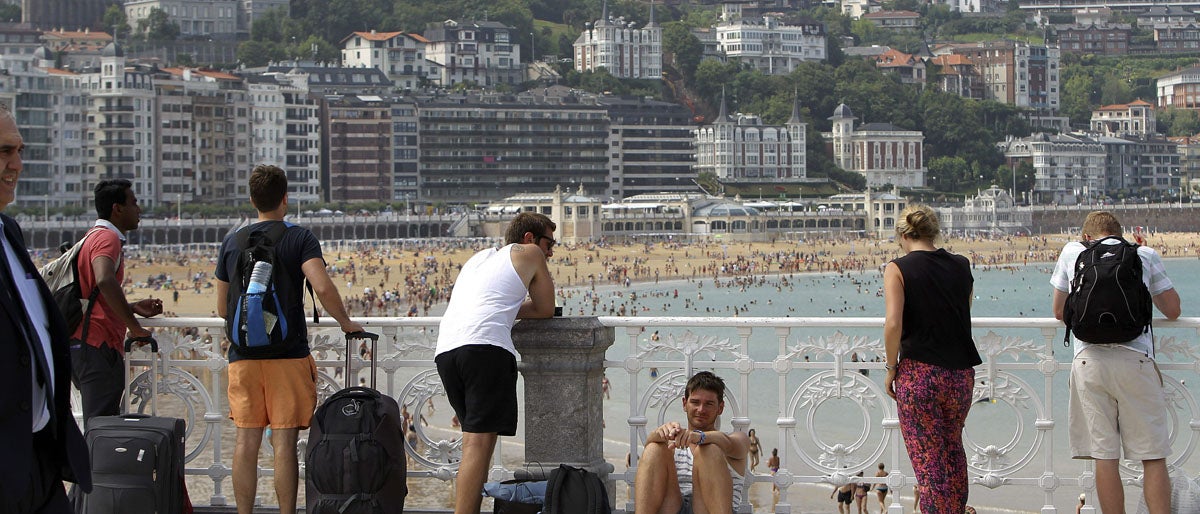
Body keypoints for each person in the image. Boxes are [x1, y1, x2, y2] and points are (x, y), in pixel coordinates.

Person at [215, 164, 364, 514]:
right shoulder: (299, 237)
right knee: (284, 442)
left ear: (252, 200)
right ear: (285, 199)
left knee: (246, 441)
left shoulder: (232, 241)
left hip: (243, 355)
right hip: (288, 354)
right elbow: (322, 286)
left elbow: (222, 307)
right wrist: (345, 323)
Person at [1050, 211, 1180, 514]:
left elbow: (1058, 311)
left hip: (1089, 363)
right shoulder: (1143, 254)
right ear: (1121, 235)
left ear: (1086, 236)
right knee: (1153, 456)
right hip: (1136, 360)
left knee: (1105, 456)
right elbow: (1172, 309)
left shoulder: (1073, 251)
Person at [0, 103, 91, 512]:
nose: (16, 164)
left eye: (19, 150)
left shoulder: (9, 231)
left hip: (38, 458)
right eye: (3, 151)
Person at [434, 212, 556, 514]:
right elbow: (545, 308)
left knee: (476, 446)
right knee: (477, 448)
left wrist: (505, 308)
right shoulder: (529, 253)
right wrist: (510, 310)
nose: (551, 251)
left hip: (448, 350)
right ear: (529, 238)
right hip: (484, 349)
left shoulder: (480, 258)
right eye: (549, 243)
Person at [883, 205, 981, 513]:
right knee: (953, 450)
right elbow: (964, 309)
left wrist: (890, 367)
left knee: (928, 461)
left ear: (902, 235)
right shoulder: (961, 265)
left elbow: (893, 324)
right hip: (960, 374)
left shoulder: (897, 268)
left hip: (920, 373)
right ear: (934, 231)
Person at [69, 179, 164, 425]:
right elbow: (104, 280)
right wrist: (135, 328)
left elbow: (95, 292)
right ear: (117, 209)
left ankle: (93, 464)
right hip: (96, 345)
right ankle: (94, 465)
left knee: (99, 422)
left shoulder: (93, 236)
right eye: (133, 202)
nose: (139, 209)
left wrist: (131, 307)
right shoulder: (107, 238)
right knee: (100, 426)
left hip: (87, 343)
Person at [634, 371, 750, 514]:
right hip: (673, 506)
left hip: (710, 509)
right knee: (653, 449)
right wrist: (658, 434)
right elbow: (650, 462)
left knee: (709, 450)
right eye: (695, 402)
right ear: (685, 404)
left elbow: (732, 444)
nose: (701, 409)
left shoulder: (733, 440)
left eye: (709, 404)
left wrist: (700, 437)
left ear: (720, 408)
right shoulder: (673, 442)